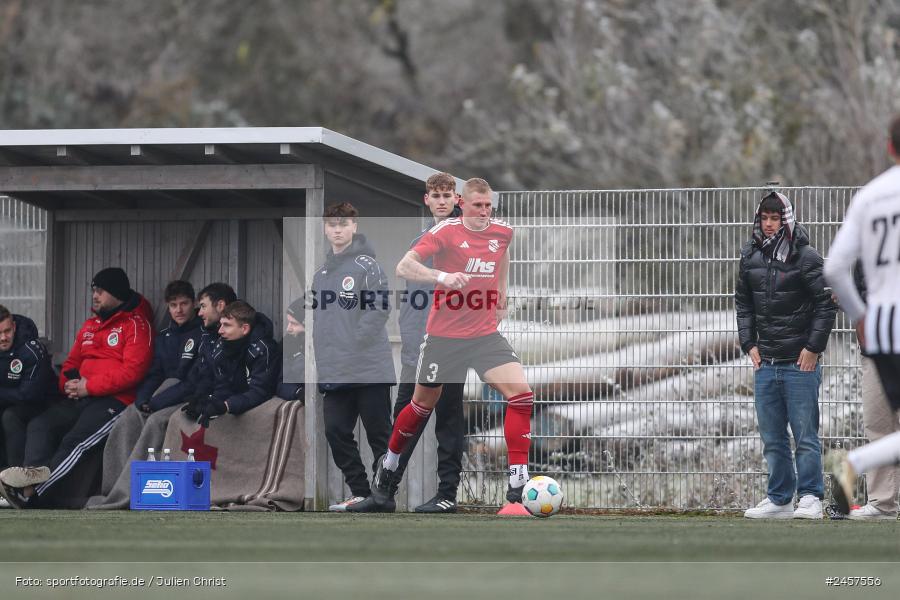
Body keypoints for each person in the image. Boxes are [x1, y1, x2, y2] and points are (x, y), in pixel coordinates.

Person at [361, 177, 534, 516]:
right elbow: (403, 266)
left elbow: (502, 258)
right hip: (443, 338)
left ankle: (518, 486)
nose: (484, 212)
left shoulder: (502, 232)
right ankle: (389, 467)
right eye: (477, 206)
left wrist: (501, 297)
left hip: (484, 336)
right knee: (420, 408)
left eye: (488, 206)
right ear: (463, 204)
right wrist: (442, 278)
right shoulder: (444, 233)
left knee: (522, 395)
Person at [0, 267, 154, 508]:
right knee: (41, 424)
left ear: (116, 293)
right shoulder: (90, 325)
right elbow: (71, 363)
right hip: (79, 397)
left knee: (76, 441)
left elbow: (132, 372)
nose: (95, 295)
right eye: (93, 290)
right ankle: (25, 483)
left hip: (114, 402)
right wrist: (69, 385)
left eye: (100, 291)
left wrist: (89, 387)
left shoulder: (136, 326)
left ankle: (32, 495)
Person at [735, 191, 836, 519]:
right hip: (766, 362)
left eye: (775, 218)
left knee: (805, 435)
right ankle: (779, 499)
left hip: (799, 364)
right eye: (764, 218)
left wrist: (813, 349)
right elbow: (743, 304)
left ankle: (810, 497)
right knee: (772, 436)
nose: (768, 224)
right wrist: (748, 343)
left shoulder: (806, 257)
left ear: (786, 220)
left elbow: (826, 304)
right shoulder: (749, 256)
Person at [826, 115, 900, 515]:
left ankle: (854, 464)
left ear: (890, 147)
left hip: (884, 328)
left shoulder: (870, 196)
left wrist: (861, 317)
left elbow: (834, 268)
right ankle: (857, 466)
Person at [384, 172, 466, 514]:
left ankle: (447, 493)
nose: (443, 201)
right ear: (427, 199)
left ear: (457, 200)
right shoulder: (425, 237)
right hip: (416, 345)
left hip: (448, 344)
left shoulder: (463, 238)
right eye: (437, 195)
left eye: (449, 195)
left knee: (448, 419)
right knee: (403, 419)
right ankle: (384, 491)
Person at [310, 202, 395, 512]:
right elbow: (323, 323)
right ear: (324, 228)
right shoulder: (320, 274)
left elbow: (380, 308)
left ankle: (383, 496)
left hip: (368, 367)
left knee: (379, 436)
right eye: (332, 223)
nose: (337, 228)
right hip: (335, 371)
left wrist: (354, 343)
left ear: (354, 227)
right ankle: (361, 492)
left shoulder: (367, 266)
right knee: (335, 430)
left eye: (343, 223)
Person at [182, 300, 279, 427]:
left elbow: (260, 391)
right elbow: (222, 384)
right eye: (220, 325)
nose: (220, 331)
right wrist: (205, 400)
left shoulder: (263, 350)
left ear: (244, 329)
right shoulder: (222, 344)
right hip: (240, 400)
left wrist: (226, 405)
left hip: (264, 404)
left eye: (227, 325)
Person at [0, 306, 58, 469]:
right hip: (10, 400)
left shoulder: (31, 350)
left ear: (14, 327)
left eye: (7, 331)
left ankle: (15, 475)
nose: (3, 338)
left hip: (44, 404)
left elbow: (28, 395)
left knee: (10, 416)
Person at [133, 280, 203, 413]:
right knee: (130, 415)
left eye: (184, 303)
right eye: (173, 305)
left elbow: (194, 381)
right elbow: (154, 375)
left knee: (155, 421)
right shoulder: (162, 338)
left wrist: (156, 402)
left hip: (187, 398)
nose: (179, 310)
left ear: (194, 303)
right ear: (168, 307)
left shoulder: (204, 334)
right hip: (160, 397)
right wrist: (143, 400)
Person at [276, 298, 305, 402]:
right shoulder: (289, 344)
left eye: (294, 323)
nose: (288, 328)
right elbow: (280, 383)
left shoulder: (327, 347)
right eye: (288, 322)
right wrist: (298, 391)